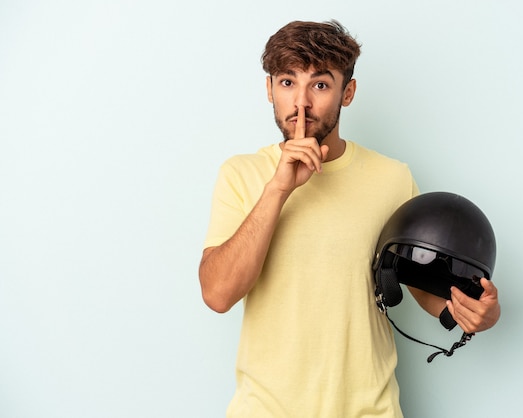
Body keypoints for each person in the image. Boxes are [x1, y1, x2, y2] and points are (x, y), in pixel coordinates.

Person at [199, 20, 500, 417]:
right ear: (269, 89)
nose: (301, 103)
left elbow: (421, 284)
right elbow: (218, 294)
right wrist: (278, 189)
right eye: (288, 83)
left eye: (320, 85)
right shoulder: (241, 174)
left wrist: (476, 313)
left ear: (348, 92)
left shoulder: (392, 178)